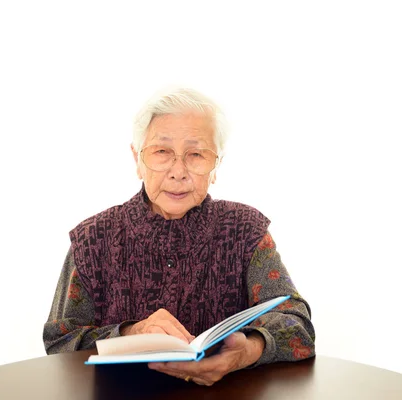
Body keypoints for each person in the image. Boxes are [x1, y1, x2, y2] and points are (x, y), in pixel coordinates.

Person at [43, 86, 315, 386]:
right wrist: (133, 333)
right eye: (162, 152)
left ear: (216, 166)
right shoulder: (93, 239)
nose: (178, 171)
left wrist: (247, 351)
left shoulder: (245, 230)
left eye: (196, 154)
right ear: (137, 159)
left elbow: (297, 325)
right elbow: (59, 342)